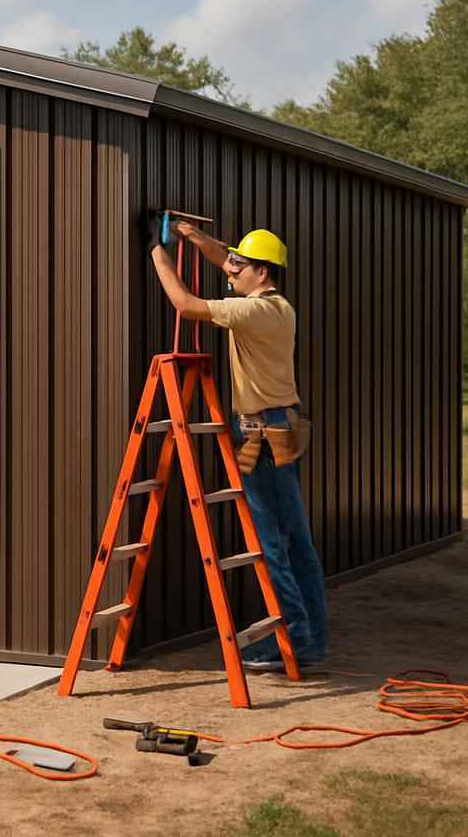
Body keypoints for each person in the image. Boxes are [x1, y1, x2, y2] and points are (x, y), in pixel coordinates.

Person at [145, 215, 327, 670]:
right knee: (296, 541)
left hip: (263, 434)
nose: (231, 271)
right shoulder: (279, 306)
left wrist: (156, 252)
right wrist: (195, 238)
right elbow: (226, 257)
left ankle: (296, 641)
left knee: (271, 543)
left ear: (262, 272)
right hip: (278, 426)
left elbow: (185, 305)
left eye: (240, 267)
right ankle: (311, 636)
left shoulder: (253, 312)